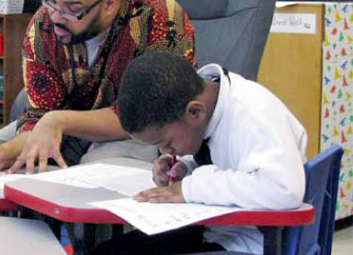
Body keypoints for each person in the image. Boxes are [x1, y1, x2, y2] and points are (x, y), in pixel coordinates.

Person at [0, 0, 195, 174]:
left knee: (94, 179)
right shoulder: (43, 25)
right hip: (63, 124)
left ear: (109, 4)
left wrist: (60, 121)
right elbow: (39, 116)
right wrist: (5, 152)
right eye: (51, 1)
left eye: (72, 9)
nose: (55, 17)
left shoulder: (159, 18)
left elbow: (148, 114)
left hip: (137, 132)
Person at [93, 51, 307, 254]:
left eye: (166, 142)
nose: (164, 150)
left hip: (250, 244)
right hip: (217, 230)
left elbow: (283, 189)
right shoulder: (210, 106)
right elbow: (228, 162)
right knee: (106, 252)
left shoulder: (251, 116)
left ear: (195, 111)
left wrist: (190, 188)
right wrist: (186, 165)